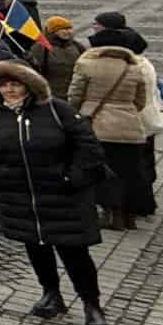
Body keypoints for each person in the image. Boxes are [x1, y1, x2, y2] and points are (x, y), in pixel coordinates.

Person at [0, 62, 109, 325]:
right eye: (3, 85)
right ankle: (51, 293)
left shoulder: (56, 110)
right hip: (19, 194)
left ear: (28, 85)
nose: (9, 90)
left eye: (15, 84)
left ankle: (92, 306)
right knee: (36, 247)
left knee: (74, 253)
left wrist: (73, 177)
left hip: (62, 194)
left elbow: (87, 144)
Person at [67, 39, 152, 231]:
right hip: (130, 127)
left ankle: (111, 214)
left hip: (98, 125)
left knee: (103, 172)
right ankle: (128, 215)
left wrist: (76, 116)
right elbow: (140, 101)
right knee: (129, 172)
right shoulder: (135, 68)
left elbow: (74, 96)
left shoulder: (86, 65)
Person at [28, 17, 86, 94]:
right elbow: (35, 70)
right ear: (52, 31)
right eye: (63, 29)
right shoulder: (41, 47)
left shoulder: (77, 46)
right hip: (51, 92)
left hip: (73, 92)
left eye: (69, 29)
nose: (67, 32)